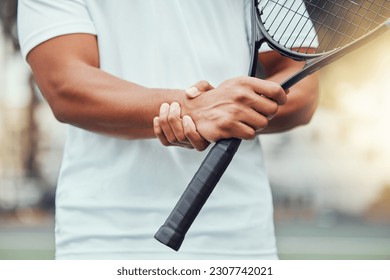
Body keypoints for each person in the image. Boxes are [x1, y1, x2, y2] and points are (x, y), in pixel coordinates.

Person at [17, 0, 319, 260]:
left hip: (238, 237)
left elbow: (302, 86)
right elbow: (66, 87)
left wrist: (230, 111)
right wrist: (193, 110)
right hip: (104, 235)